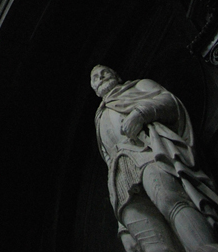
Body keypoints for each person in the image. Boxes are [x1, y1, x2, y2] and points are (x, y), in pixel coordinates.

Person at [91, 64, 218, 252]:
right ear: (94, 88)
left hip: (146, 153)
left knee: (170, 200)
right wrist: (122, 226)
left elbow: (170, 101)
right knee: (147, 237)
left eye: (104, 73)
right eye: (95, 78)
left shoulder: (139, 86)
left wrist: (141, 113)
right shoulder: (99, 118)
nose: (101, 78)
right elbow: (110, 161)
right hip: (120, 180)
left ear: (116, 75)